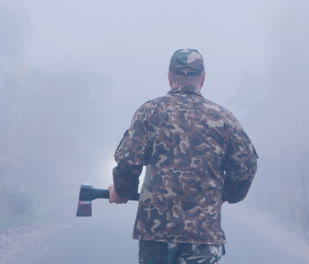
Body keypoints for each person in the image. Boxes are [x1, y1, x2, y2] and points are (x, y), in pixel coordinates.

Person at [109, 49, 258, 264]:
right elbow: (246, 166)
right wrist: (226, 196)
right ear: (203, 79)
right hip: (203, 233)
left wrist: (122, 192)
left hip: (156, 233)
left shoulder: (149, 112)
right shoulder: (224, 119)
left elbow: (128, 162)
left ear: (170, 77)